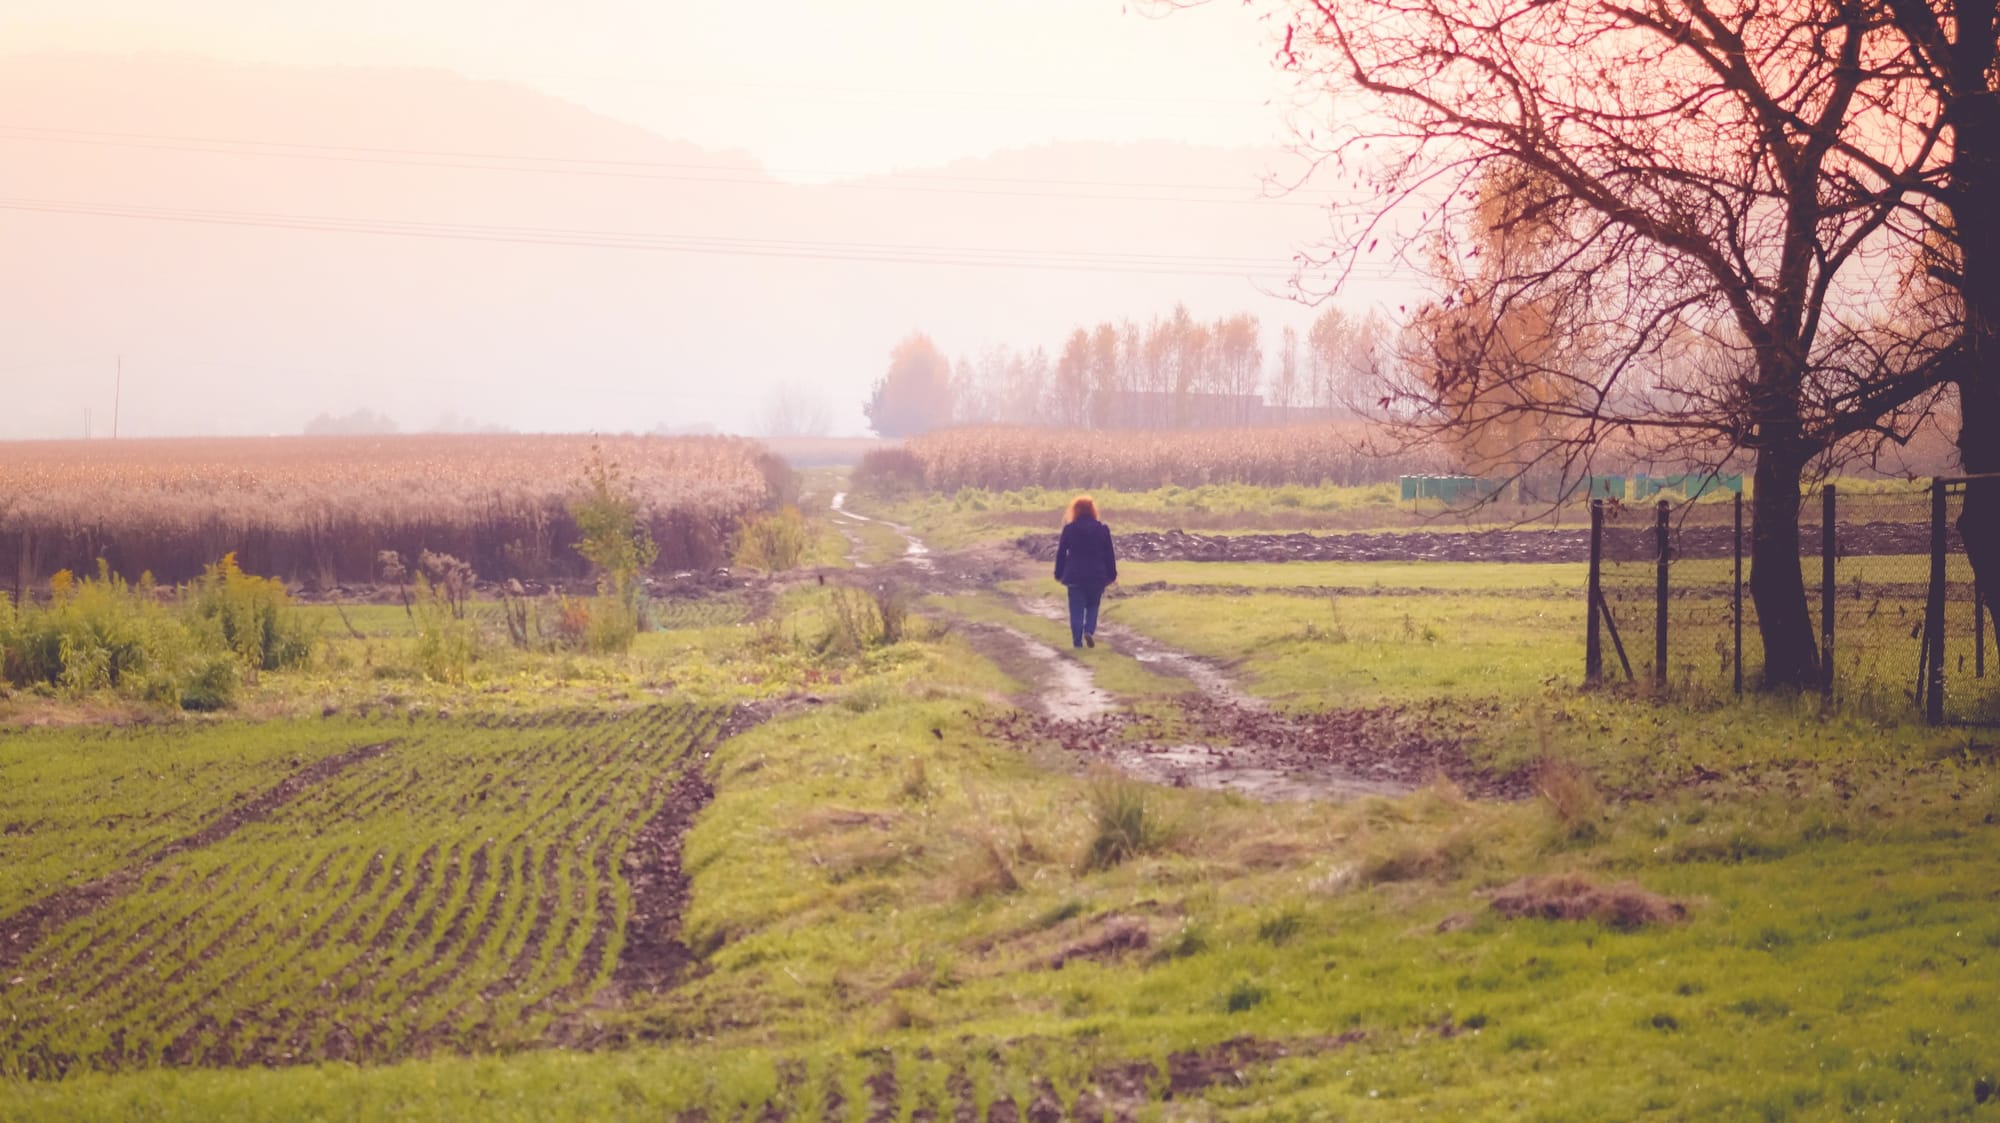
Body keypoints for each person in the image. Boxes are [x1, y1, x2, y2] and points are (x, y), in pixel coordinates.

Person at [1053, 494, 1117, 649]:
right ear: (1093, 510)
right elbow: (1109, 553)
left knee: (1076, 609)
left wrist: (1058, 572)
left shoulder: (1069, 529)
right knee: (1093, 606)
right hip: (1097, 575)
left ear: (1074, 511)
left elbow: (1061, 552)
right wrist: (1112, 574)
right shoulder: (1102, 529)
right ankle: (1089, 630)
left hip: (1074, 575)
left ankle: (1077, 643)